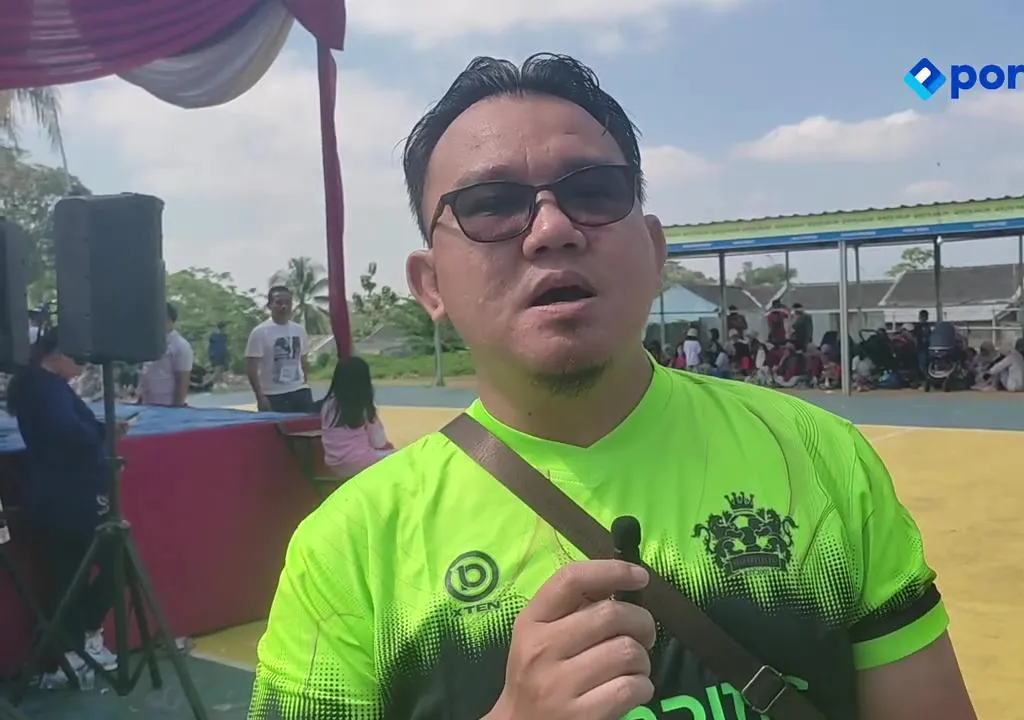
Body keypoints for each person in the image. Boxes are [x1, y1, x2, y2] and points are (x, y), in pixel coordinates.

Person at [249, 53, 975, 720]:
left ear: (654, 250)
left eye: (594, 191)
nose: (551, 229)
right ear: (430, 283)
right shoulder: (349, 547)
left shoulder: (817, 456)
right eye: (491, 204)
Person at [6, 327, 121, 688]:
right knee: (80, 573)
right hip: (68, 498)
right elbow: (68, 435)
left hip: (66, 495)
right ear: (55, 353)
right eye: (79, 356)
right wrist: (102, 434)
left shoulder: (45, 387)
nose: (84, 364)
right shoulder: (44, 388)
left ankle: (78, 645)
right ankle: (75, 649)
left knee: (75, 573)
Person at [318, 357, 395, 478]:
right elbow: (379, 442)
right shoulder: (362, 406)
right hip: (361, 463)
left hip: (335, 465)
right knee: (400, 457)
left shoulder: (327, 405)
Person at [244, 286, 312, 413]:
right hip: (273, 394)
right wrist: (259, 396)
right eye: (279, 303)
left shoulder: (299, 330)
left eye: (288, 302)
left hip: (299, 391)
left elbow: (303, 358)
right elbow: (251, 367)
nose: (284, 306)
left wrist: (305, 382)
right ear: (270, 306)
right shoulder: (260, 332)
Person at [138, 302, 194, 406]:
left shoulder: (180, 346)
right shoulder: (149, 343)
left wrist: (176, 409)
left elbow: (183, 380)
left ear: (168, 320)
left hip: (167, 404)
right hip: (147, 403)